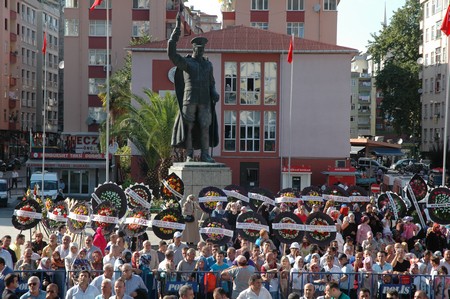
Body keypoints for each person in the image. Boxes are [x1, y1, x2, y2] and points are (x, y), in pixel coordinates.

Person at [167, 9, 220, 163]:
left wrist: (214, 92)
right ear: (194, 48)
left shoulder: (208, 65)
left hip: (204, 100)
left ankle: (205, 154)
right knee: (189, 127)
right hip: (189, 99)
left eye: (203, 48)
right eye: (199, 48)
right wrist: (176, 30)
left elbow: (212, 82)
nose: (201, 50)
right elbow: (172, 54)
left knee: (205, 126)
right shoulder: (187, 63)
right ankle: (189, 154)